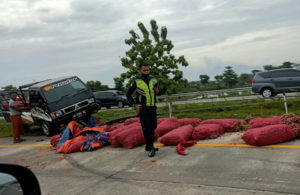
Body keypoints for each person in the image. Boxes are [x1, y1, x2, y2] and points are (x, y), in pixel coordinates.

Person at [126, 64, 160, 157]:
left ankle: (149, 146)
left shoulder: (154, 80)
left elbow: (158, 93)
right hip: (143, 108)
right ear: (140, 71)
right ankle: (151, 147)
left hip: (153, 107)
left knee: (153, 127)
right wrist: (135, 105)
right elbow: (128, 94)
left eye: (148, 70)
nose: (146, 72)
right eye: (144, 71)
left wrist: (157, 90)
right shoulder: (136, 82)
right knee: (146, 129)